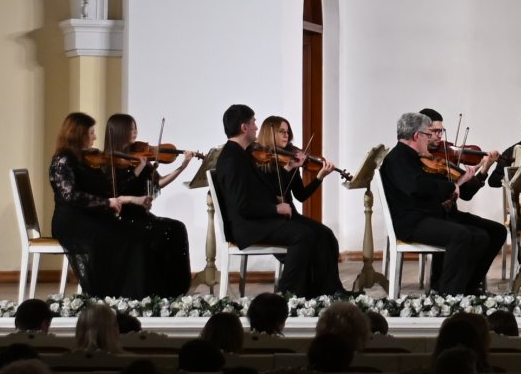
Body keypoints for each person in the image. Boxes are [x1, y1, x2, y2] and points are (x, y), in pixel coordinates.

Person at [212, 105, 344, 297]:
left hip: (255, 220)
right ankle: (287, 295)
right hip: (247, 227)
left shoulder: (240, 154)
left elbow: (258, 193)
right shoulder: (233, 159)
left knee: (323, 234)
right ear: (244, 127)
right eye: (254, 122)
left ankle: (328, 291)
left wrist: (289, 176)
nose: (257, 127)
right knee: (303, 235)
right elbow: (242, 205)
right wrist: (276, 208)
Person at [380, 111, 506, 294]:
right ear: (417, 135)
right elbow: (417, 187)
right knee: (461, 235)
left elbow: (427, 186)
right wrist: (450, 187)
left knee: (488, 233)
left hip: (429, 214)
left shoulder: (415, 156)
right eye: (428, 134)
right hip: (411, 222)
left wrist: (459, 183)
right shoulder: (397, 158)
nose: (430, 138)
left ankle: (468, 287)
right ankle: (447, 294)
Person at [48, 111, 154, 297]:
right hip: (71, 221)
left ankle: (133, 293)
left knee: (134, 233)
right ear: (77, 134)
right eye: (91, 133)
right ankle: (110, 293)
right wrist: (107, 202)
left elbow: (109, 187)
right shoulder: (62, 160)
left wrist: (130, 188)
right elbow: (70, 196)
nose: (95, 137)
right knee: (116, 238)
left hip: (90, 216)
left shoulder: (86, 159)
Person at [101, 113, 194, 296]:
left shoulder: (140, 156)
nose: (135, 132)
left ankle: (174, 290)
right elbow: (115, 192)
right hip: (122, 218)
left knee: (176, 228)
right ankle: (152, 289)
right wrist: (138, 169)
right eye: (130, 129)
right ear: (119, 132)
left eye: (135, 128)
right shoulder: (109, 162)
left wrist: (182, 167)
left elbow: (158, 184)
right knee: (159, 234)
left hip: (141, 216)